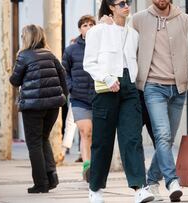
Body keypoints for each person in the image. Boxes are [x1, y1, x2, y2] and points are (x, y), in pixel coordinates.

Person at [131, 0, 188, 201]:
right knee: (162, 135)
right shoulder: (138, 20)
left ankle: (152, 181)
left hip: (179, 88)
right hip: (152, 87)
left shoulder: (186, 20)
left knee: (168, 138)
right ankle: (172, 181)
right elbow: (128, 51)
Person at [83, 1, 154, 203]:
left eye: (128, 2)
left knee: (132, 138)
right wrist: (106, 77)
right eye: (121, 3)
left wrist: (131, 81)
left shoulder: (133, 34)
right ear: (111, 7)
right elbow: (88, 62)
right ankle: (95, 189)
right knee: (102, 142)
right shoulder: (98, 31)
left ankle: (140, 187)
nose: (126, 5)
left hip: (129, 88)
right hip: (106, 89)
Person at [9, 24, 68, 193]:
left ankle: (41, 184)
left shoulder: (24, 56)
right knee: (43, 139)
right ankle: (51, 178)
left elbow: (15, 81)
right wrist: (62, 98)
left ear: (26, 38)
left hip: (33, 107)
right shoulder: (51, 55)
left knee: (34, 143)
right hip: (53, 106)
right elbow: (63, 76)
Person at [62, 14, 96, 182]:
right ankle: (87, 166)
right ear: (80, 29)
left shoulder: (101, 47)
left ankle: (95, 165)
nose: (88, 28)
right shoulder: (71, 50)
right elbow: (64, 72)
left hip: (99, 97)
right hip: (79, 98)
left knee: (96, 135)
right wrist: (71, 87)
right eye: (85, 25)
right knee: (85, 132)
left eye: (91, 24)